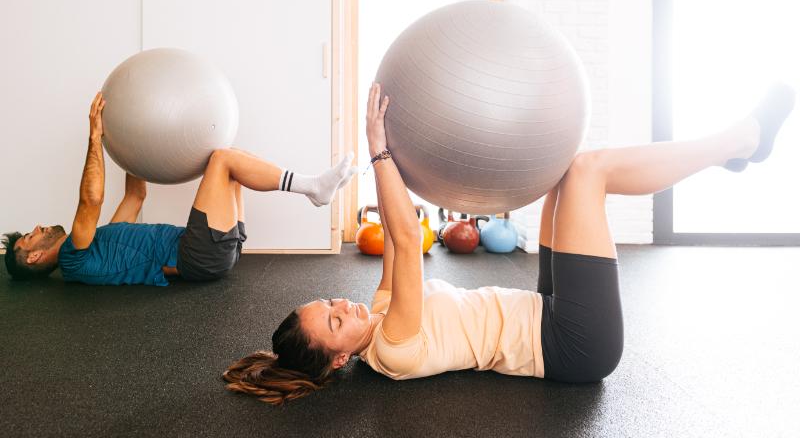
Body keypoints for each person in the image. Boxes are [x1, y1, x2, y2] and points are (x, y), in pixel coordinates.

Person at [223, 81, 795, 404]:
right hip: (571, 344)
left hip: (544, 309)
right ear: (342, 357)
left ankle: (735, 151)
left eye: (326, 303)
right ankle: (739, 142)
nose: (339, 306)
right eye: (332, 322)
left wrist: (402, 156)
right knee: (590, 172)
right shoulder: (393, 347)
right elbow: (403, 232)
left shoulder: (375, 315)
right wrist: (378, 148)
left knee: (567, 172)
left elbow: (401, 245)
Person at [3, 92, 357, 285]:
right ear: (34, 257)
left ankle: (314, 186)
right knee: (221, 159)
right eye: (30, 238)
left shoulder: (96, 242)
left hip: (212, 251)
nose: (38, 229)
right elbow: (91, 198)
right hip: (198, 255)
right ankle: (313, 187)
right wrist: (94, 138)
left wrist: (130, 140)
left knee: (232, 160)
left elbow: (136, 195)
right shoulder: (74, 257)